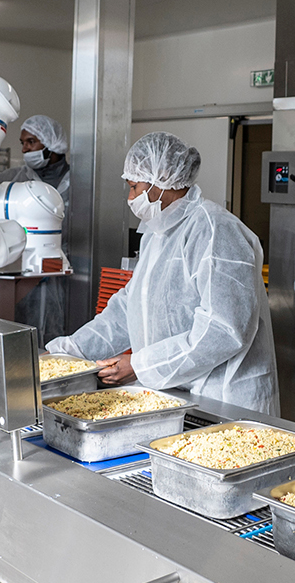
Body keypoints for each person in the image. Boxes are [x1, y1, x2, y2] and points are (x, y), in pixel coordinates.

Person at [46, 132, 279, 415]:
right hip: (173, 393)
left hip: (226, 400)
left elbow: (223, 330)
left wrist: (140, 366)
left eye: (134, 187)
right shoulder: (156, 233)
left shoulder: (215, 230)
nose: (130, 197)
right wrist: (68, 352)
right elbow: (127, 310)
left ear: (162, 179)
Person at [0, 115, 71, 343]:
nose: (25, 149)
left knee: (60, 333)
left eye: (31, 142)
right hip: (22, 271)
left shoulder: (80, 182)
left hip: (66, 274)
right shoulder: (14, 179)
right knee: (22, 333)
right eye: (23, 143)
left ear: (52, 145)